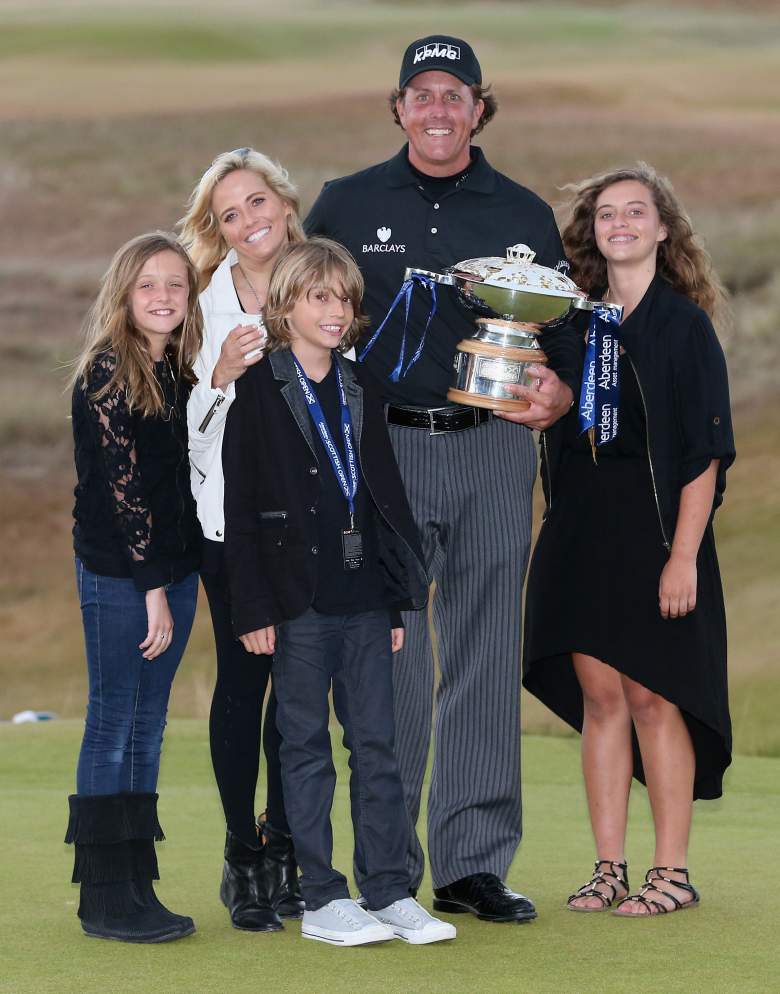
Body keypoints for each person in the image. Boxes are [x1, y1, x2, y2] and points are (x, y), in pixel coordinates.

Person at [305, 34, 580, 921]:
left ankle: (471, 863)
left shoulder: (524, 211)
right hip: (385, 451)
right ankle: (389, 864)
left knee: (486, 649)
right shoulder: (347, 202)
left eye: (453, 95)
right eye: (420, 94)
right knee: (393, 655)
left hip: (495, 449)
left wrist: (556, 393)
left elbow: (562, 328)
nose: (436, 109)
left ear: (478, 108)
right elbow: (305, 313)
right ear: (398, 107)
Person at [222, 237, 456, 947]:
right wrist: (254, 608)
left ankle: (388, 890)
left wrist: (393, 598)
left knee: (377, 746)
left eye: (345, 299)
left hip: (362, 601)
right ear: (285, 307)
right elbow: (241, 511)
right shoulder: (258, 390)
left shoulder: (362, 386)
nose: (336, 310)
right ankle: (322, 898)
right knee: (304, 749)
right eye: (319, 297)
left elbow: (383, 499)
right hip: (294, 605)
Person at [522, 163, 735, 916]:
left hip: (656, 536)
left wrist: (684, 556)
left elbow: (705, 454)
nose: (620, 223)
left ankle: (670, 873)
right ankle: (608, 867)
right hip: (581, 532)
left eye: (635, 212)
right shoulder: (577, 322)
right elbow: (564, 415)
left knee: (653, 694)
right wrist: (537, 403)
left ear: (663, 229)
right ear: (593, 233)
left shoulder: (684, 327)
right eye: (606, 213)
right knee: (603, 696)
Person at [65, 231, 203, 942]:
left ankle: (137, 883)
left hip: (173, 573)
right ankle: (102, 896)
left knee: (148, 728)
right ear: (124, 293)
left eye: (175, 284)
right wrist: (152, 587)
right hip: (122, 578)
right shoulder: (106, 372)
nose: (162, 296)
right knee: (114, 720)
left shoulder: (177, 368)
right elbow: (125, 498)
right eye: (147, 283)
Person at [180, 147, 305, 931]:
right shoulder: (202, 304)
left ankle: (286, 842)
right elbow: (185, 435)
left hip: (315, 532)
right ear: (219, 232)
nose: (250, 221)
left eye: (258, 202)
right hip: (229, 528)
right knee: (243, 682)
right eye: (231, 213)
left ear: (286, 204)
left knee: (299, 692)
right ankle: (243, 855)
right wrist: (218, 377)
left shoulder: (327, 282)